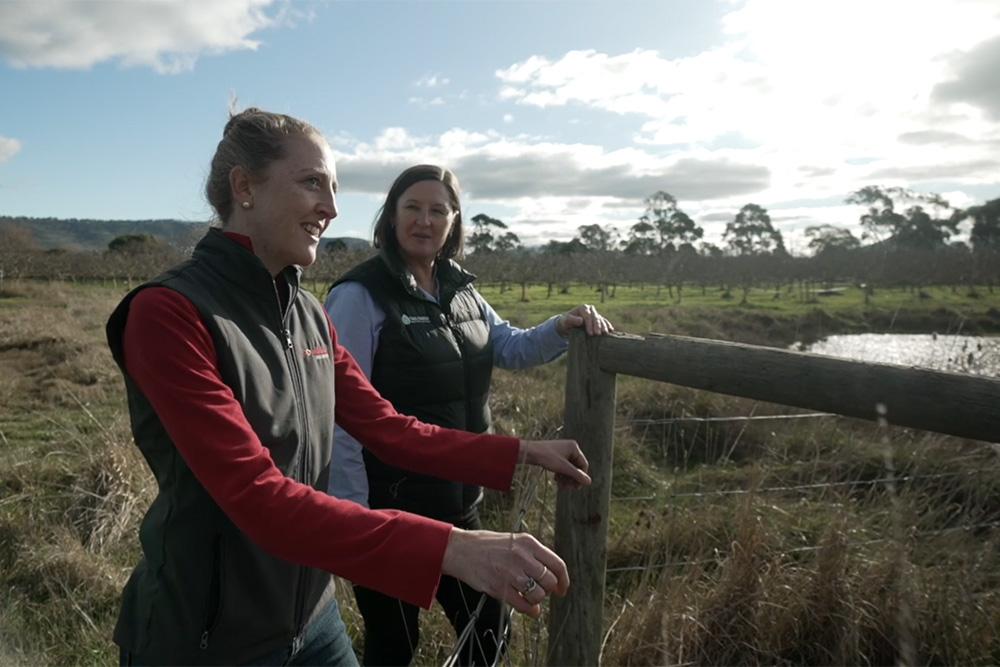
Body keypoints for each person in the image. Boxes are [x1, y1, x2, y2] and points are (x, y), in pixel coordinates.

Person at [104, 109, 592, 666]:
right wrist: (452, 548)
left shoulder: (309, 314)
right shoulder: (169, 313)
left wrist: (523, 452)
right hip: (207, 638)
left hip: (313, 617)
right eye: (312, 182)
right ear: (245, 187)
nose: (332, 208)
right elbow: (258, 497)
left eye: (333, 188)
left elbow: (390, 430)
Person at [324, 164, 614, 666]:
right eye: (412, 207)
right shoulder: (359, 295)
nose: (424, 220)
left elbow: (510, 346)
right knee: (395, 642)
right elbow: (342, 414)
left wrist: (561, 327)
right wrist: (354, 514)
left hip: (459, 500)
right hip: (390, 504)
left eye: (438, 209)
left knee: (487, 633)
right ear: (391, 216)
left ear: (454, 221)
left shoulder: (461, 289)